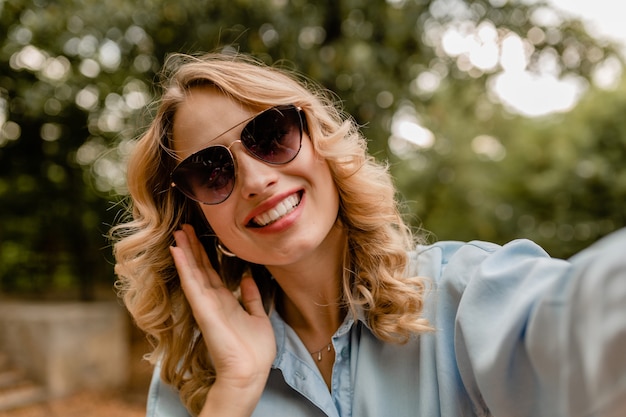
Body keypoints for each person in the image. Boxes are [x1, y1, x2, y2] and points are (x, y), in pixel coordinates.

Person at [109, 52, 626, 417]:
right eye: (211, 171)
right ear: (199, 217)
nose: (256, 179)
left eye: (270, 136)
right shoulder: (199, 372)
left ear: (321, 145)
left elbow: (588, 328)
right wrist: (237, 388)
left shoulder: (464, 293)